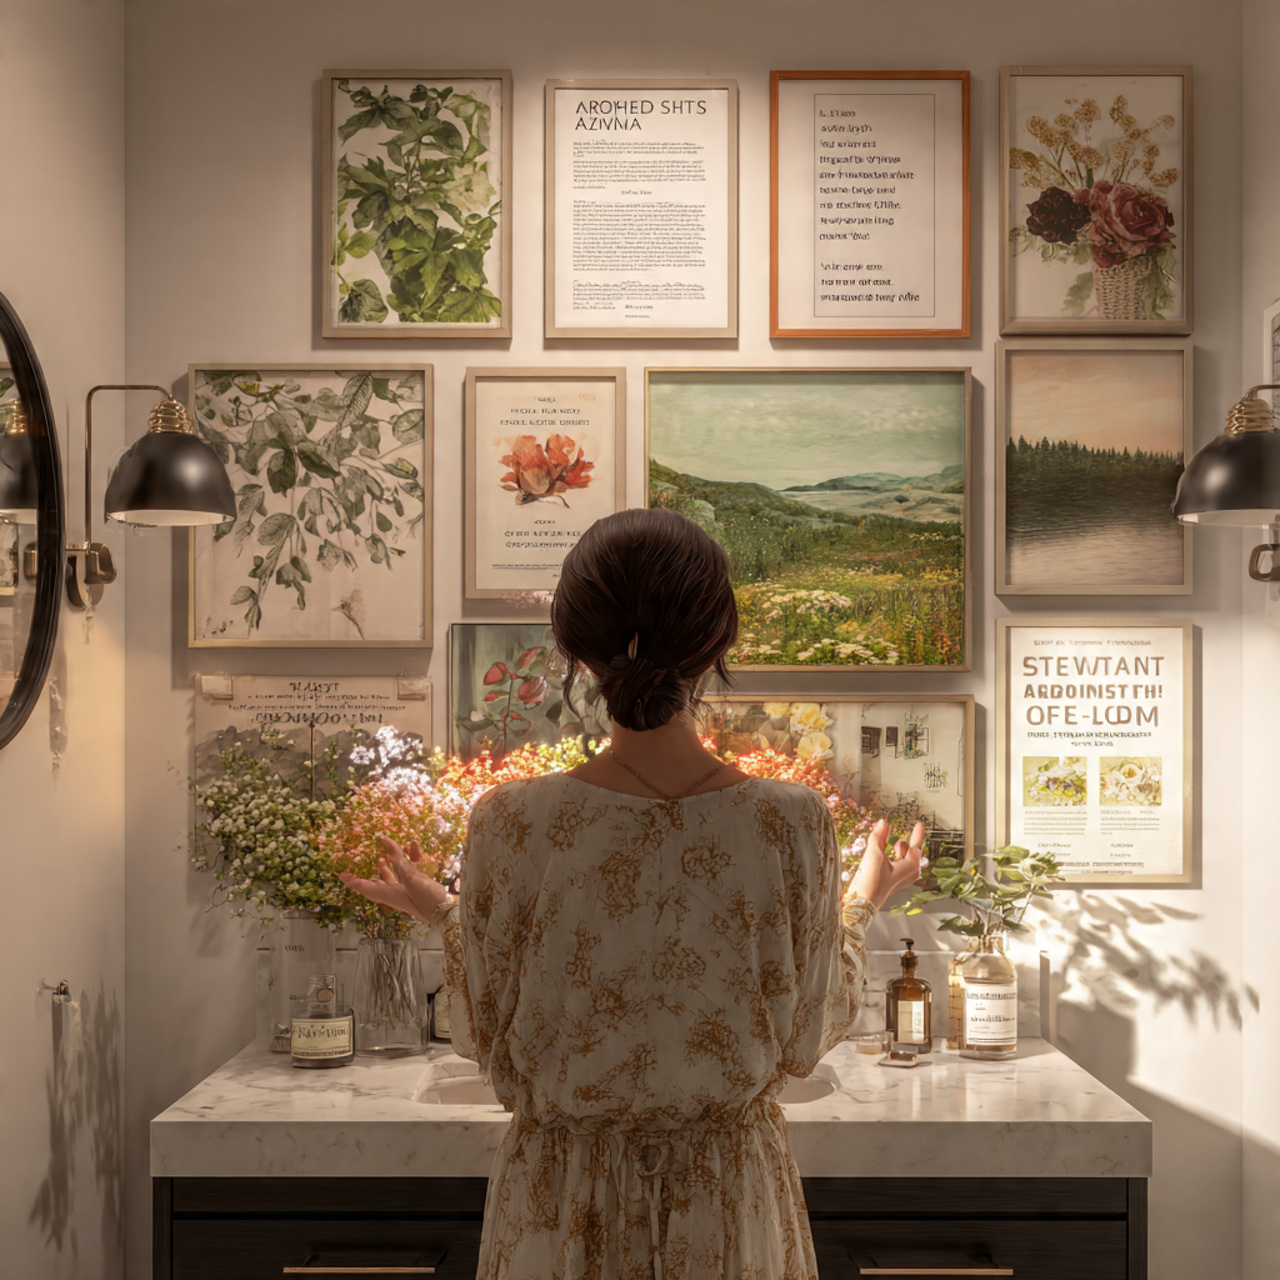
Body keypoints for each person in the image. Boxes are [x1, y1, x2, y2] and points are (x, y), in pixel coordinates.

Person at [340, 508, 925, 1280]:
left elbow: (484, 1032)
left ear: (577, 651)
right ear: (718, 641)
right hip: (729, 1203)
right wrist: (862, 903)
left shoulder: (512, 820)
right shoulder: (790, 821)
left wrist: (442, 915)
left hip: (559, 1207)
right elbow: (805, 1035)